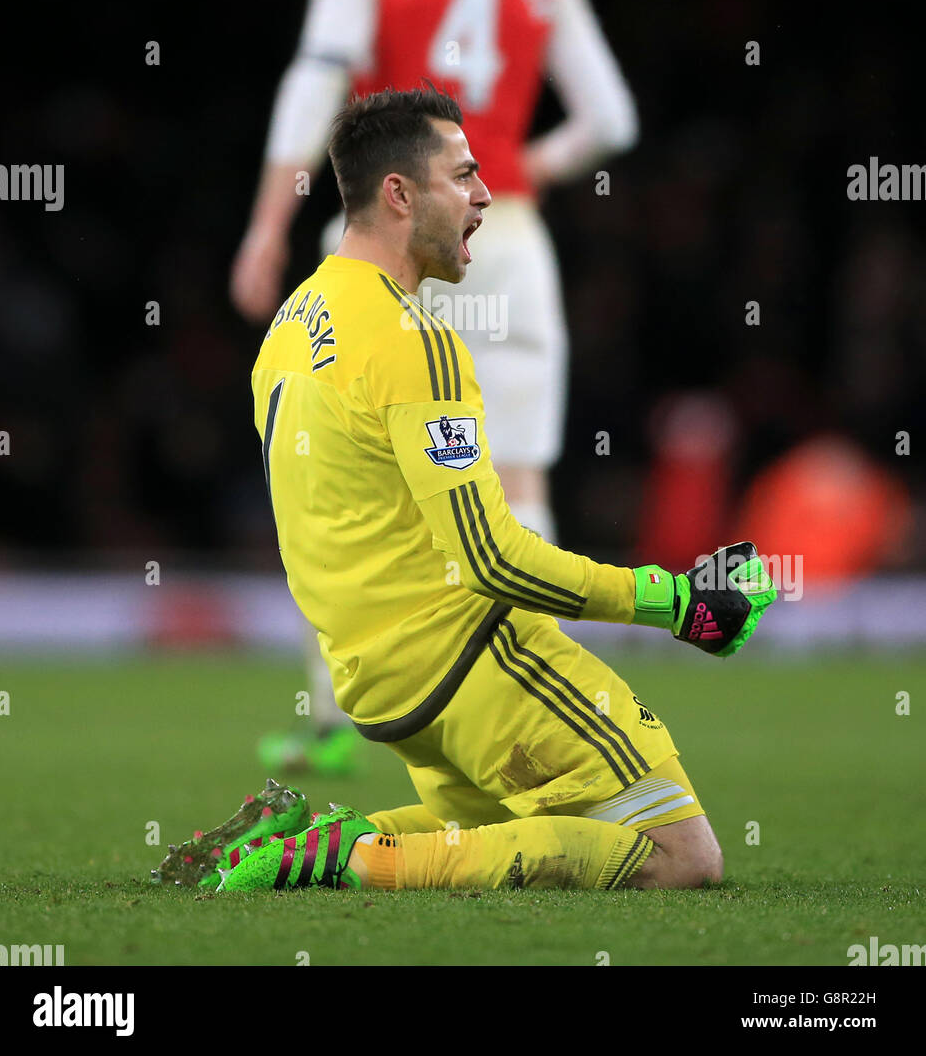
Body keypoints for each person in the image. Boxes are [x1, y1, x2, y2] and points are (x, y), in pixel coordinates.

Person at [197, 86, 775, 896]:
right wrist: (674, 602)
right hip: (473, 660)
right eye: (462, 175)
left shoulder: (291, 325)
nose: (484, 195)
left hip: (378, 683)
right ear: (398, 193)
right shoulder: (415, 343)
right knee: (681, 857)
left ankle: (331, 834)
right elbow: (492, 561)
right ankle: (347, 859)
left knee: (504, 831)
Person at [230, 0, 639, 771]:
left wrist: (268, 220)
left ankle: (335, 721)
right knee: (516, 480)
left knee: (339, 464)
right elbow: (613, 119)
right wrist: (519, 166)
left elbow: (318, 75)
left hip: (388, 233)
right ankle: (562, 723)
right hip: (506, 235)